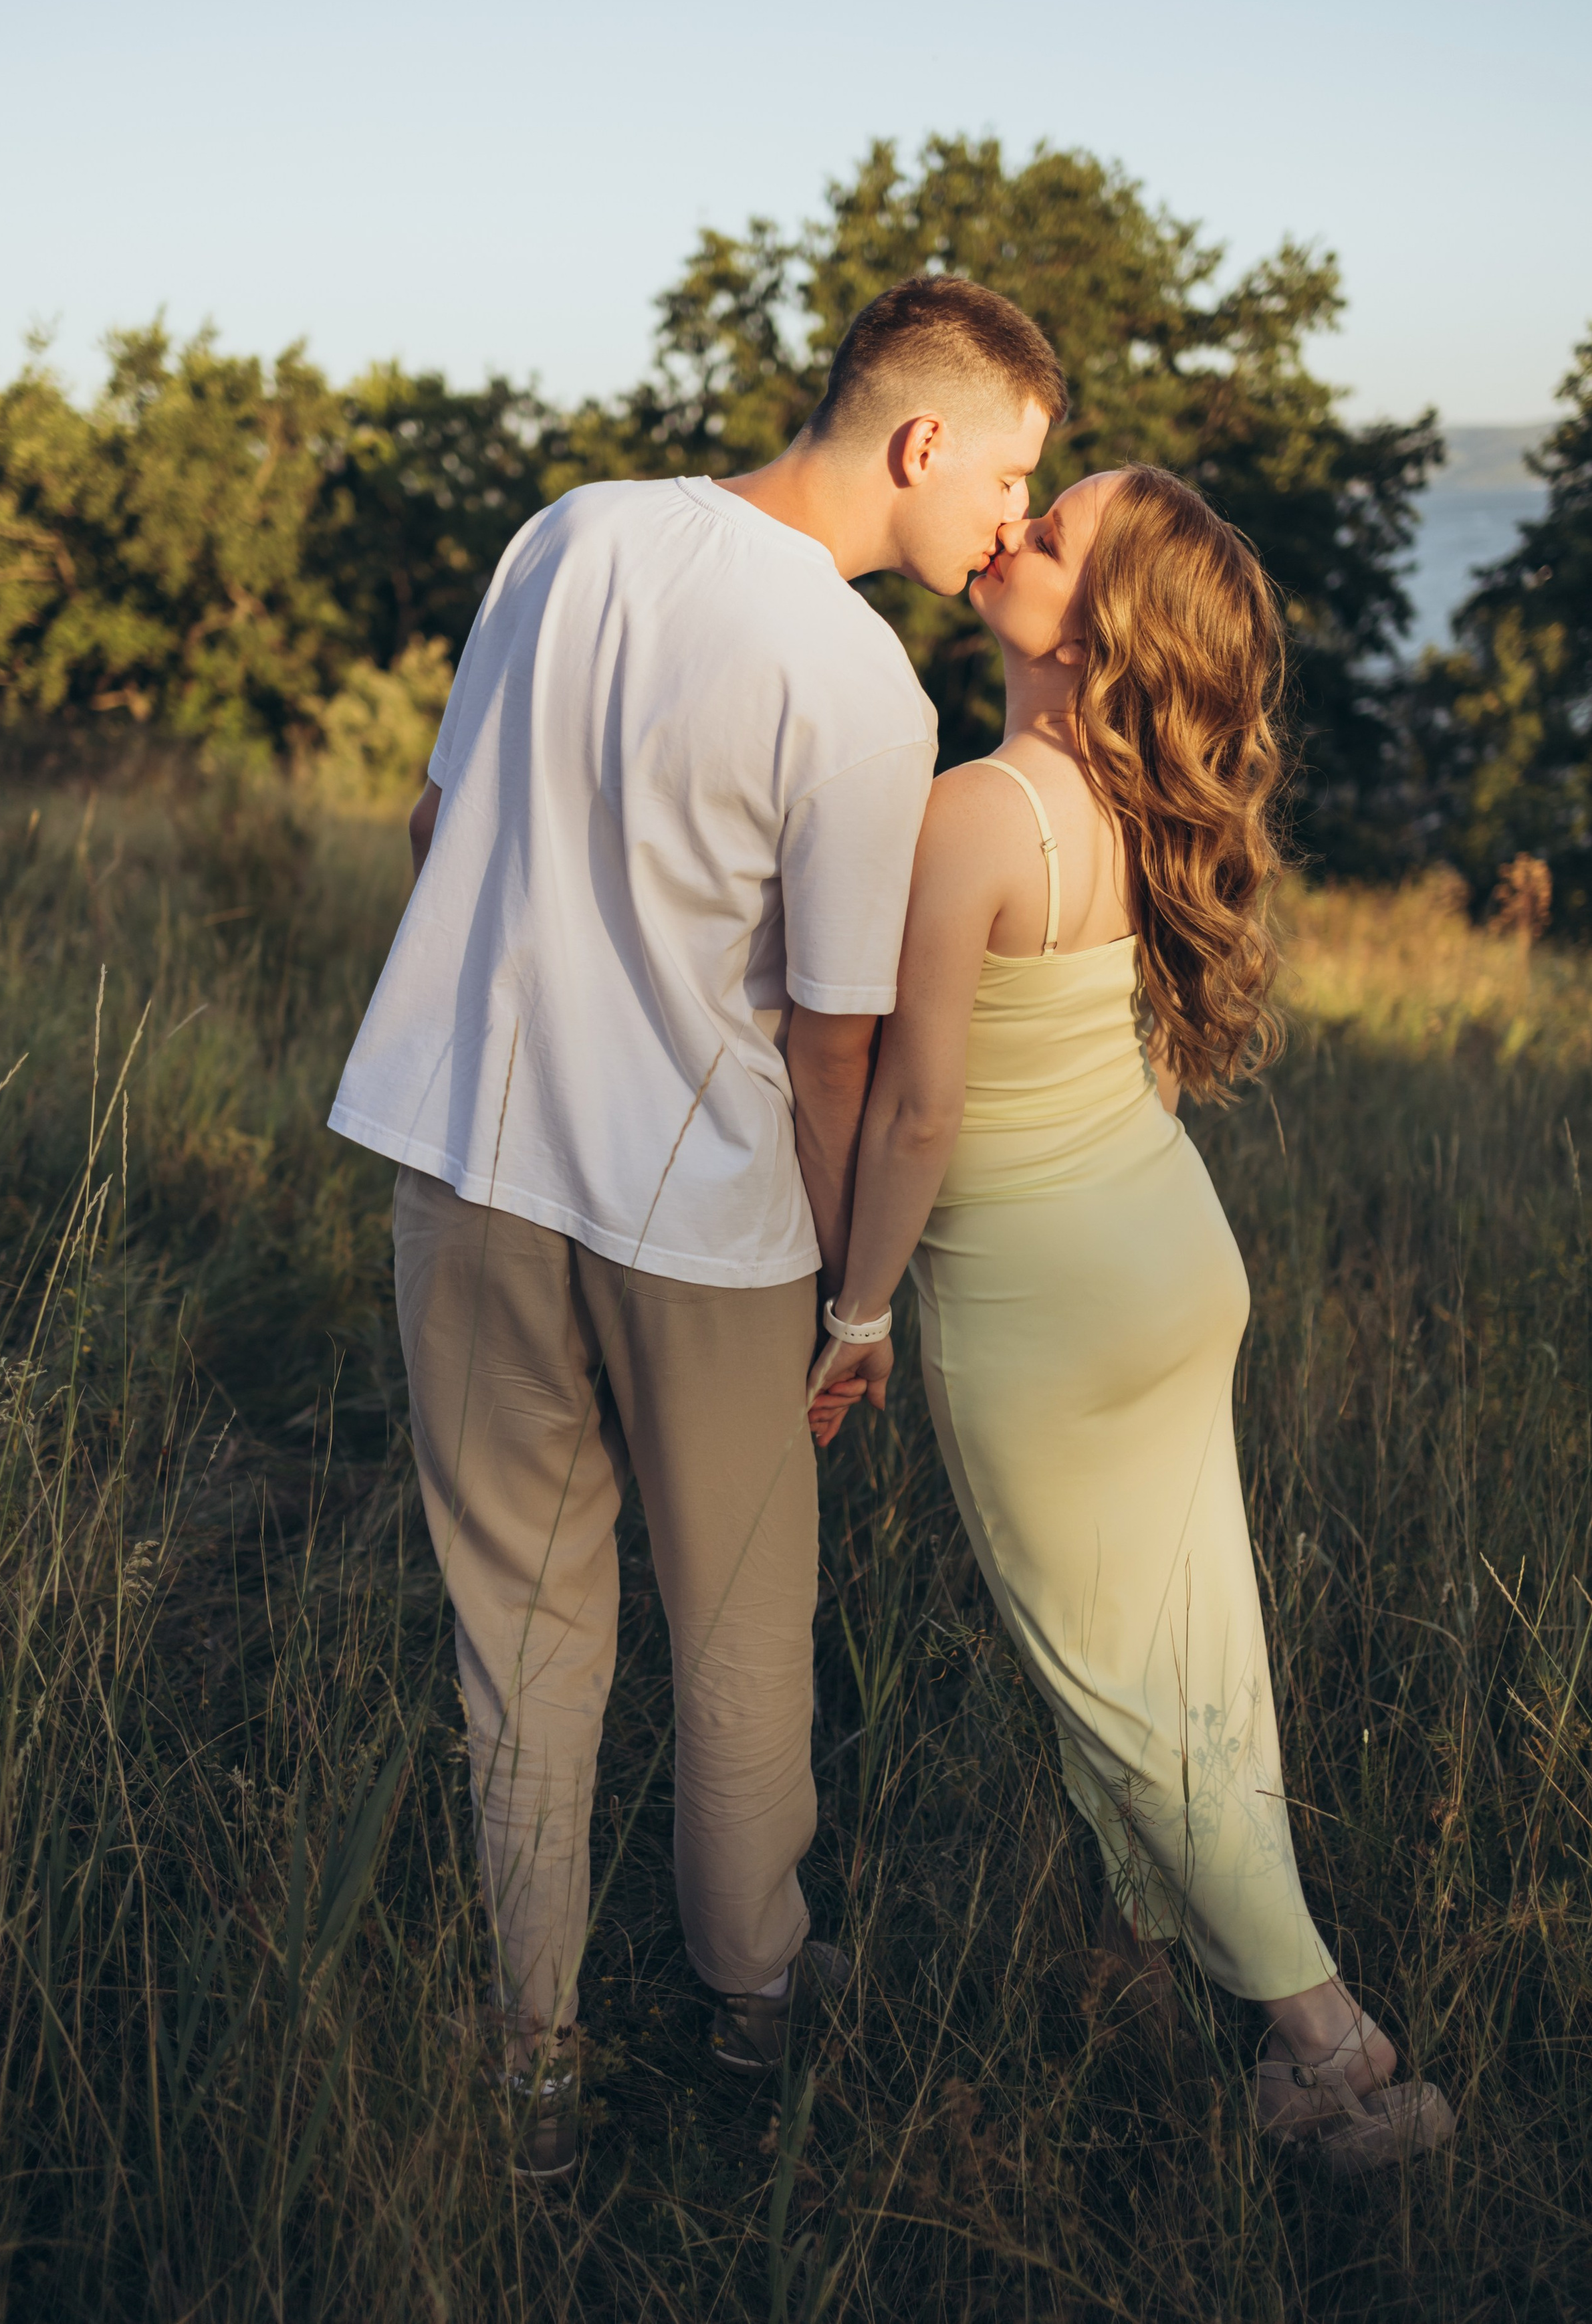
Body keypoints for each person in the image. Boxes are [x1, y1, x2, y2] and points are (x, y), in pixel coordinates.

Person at [328, 275, 1067, 2180]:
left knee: (520, 1631)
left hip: (466, 1161)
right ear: (921, 439)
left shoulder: (569, 533)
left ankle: (534, 2061)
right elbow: (832, 1047)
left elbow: (433, 832)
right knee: (738, 1633)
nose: (1008, 523)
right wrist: (843, 1294)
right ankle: (756, 2001)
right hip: (701, 1217)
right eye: (1007, 476)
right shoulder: (866, 690)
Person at [806, 465, 1458, 2176]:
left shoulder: (974, 812)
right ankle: (1129, 1976)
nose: (1011, 531)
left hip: (1038, 1311)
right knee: (1189, 1661)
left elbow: (914, 1114)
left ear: (1093, 633)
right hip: (1169, 1258)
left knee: (1110, 1687)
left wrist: (856, 1308)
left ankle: (1325, 2043)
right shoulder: (1132, 803)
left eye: (1052, 534)